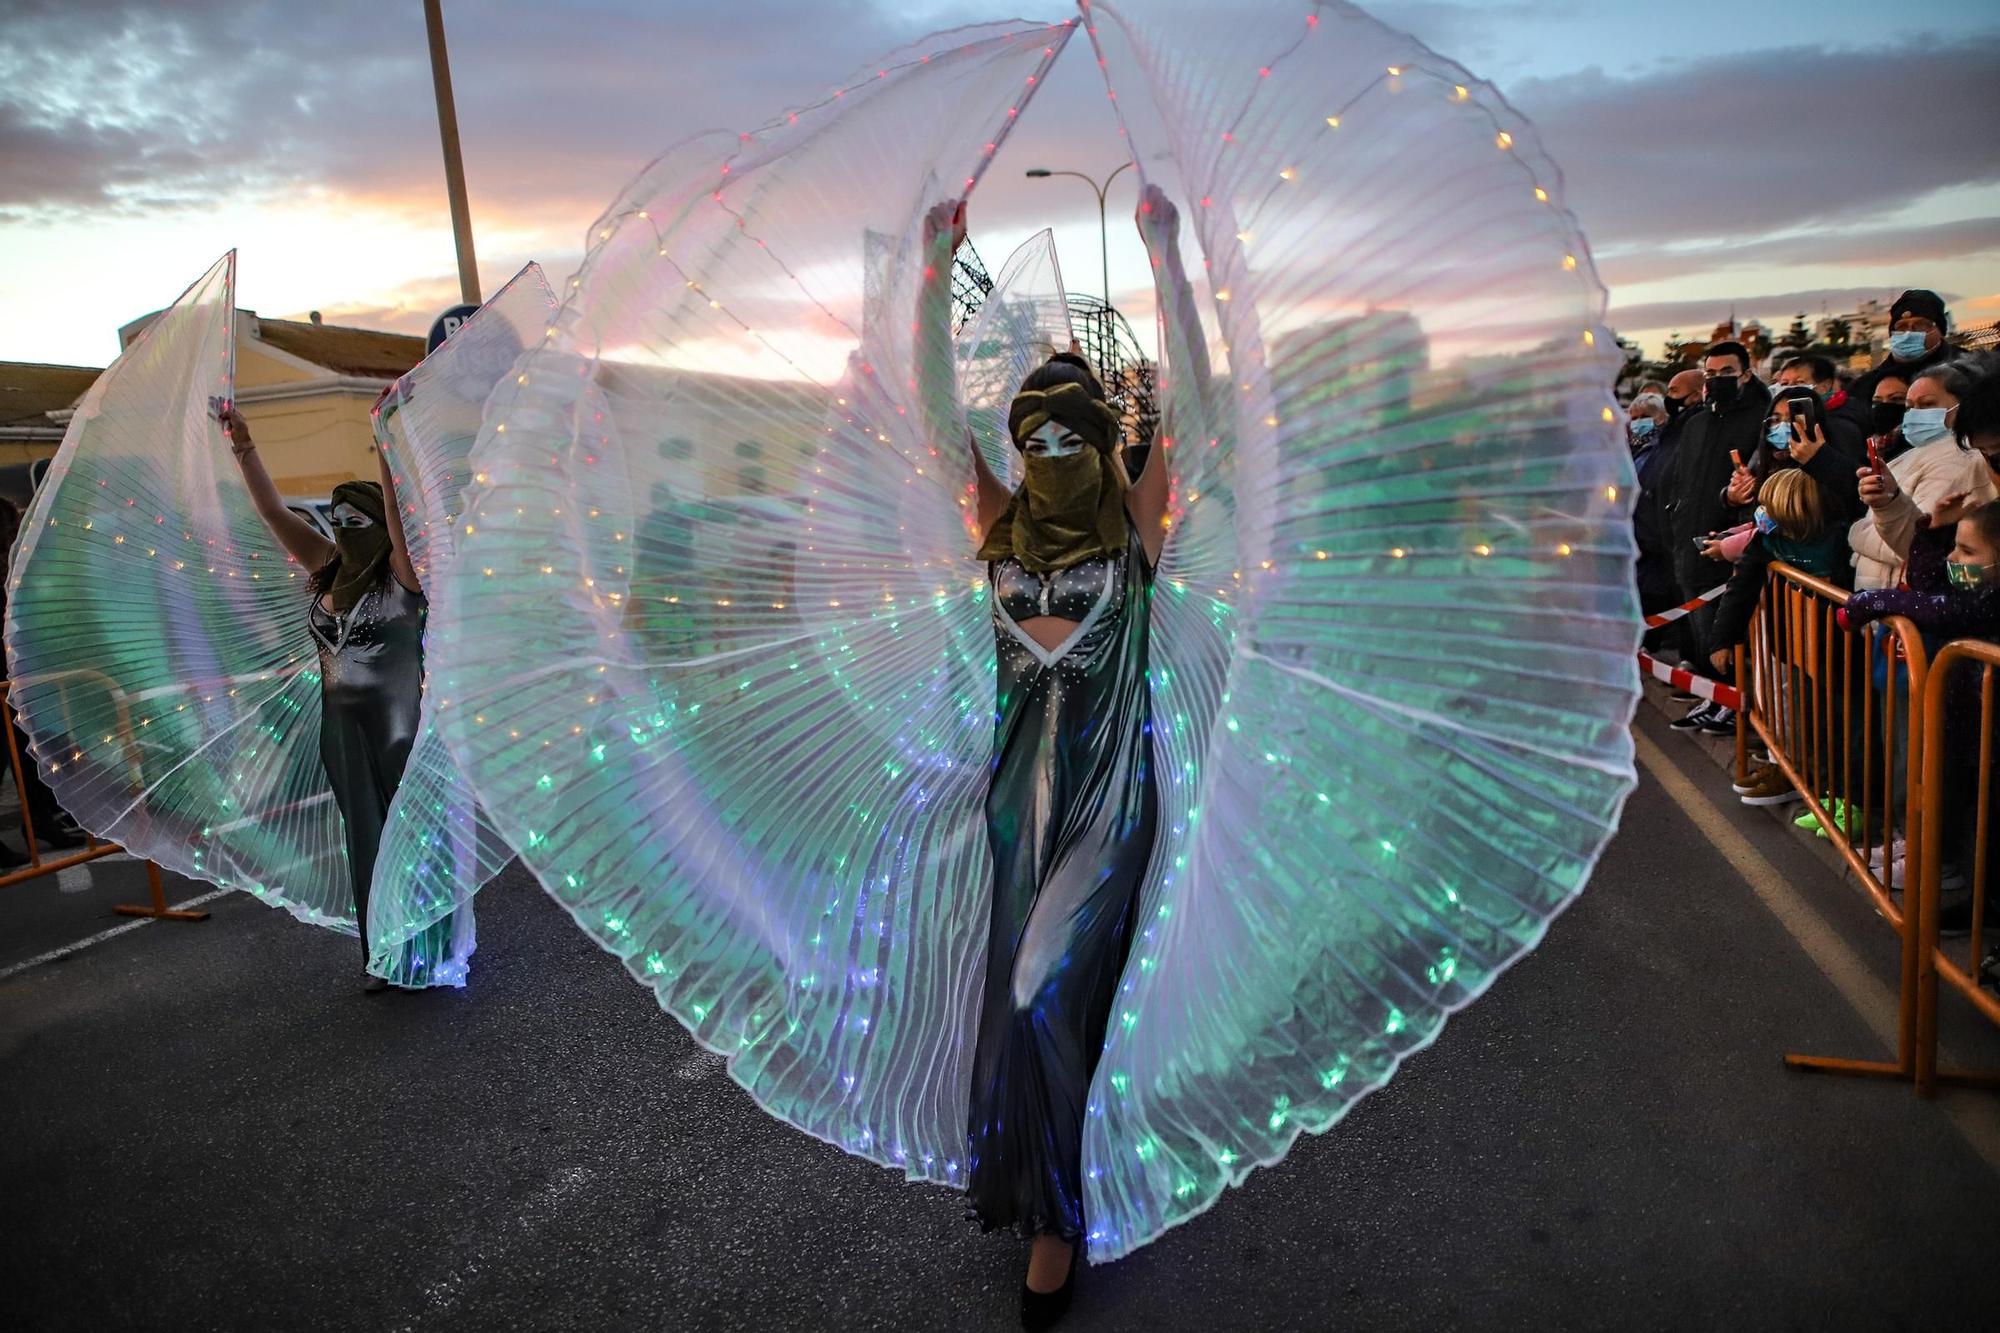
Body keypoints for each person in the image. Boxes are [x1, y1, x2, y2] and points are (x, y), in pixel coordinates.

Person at [925, 190, 1171, 1329]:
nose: (1052, 453)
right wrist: (937, 265)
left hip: (1110, 801)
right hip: (1016, 811)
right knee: (1045, 1009)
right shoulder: (994, 521)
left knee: (1039, 996)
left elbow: (1205, 414)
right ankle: (1050, 1185)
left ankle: (1059, 1221)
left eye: (1074, 435)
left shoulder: (1133, 528)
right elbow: (931, 411)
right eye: (1035, 438)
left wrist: (1166, 254)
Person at [219, 403, 428, 992]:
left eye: (353, 517)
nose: (341, 526)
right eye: (335, 519)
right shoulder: (326, 568)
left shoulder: (403, 576)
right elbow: (270, 511)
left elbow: (394, 511)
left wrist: (382, 440)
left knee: (411, 837)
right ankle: (385, 956)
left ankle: (430, 949)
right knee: (364, 839)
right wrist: (244, 448)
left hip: (400, 727)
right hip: (340, 729)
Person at [1840, 496, 2000, 931]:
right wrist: (1931, 531)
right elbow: (1931, 585)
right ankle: (1975, 894)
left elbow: (1936, 608)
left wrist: (1872, 601)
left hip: (1990, 736)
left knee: (1986, 824)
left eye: (1967, 551)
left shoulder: (1987, 602)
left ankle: (1982, 902)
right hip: (1970, 730)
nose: (1955, 558)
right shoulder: (1975, 585)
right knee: (1970, 815)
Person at [1706, 466, 1851, 804]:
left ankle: (1838, 790)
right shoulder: (1766, 538)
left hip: (1840, 649)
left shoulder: (1838, 539)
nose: (1763, 515)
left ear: (1797, 513)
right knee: (1794, 712)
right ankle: (1794, 772)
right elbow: (1741, 588)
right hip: (1790, 643)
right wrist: (1722, 640)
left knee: (1839, 722)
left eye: (1771, 509)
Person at [1663, 340, 1770, 733]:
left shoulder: (1760, 419)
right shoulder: (1696, 423)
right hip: (1690, 543)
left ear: (1746, 373)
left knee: (1729, 633)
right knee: (1701, 629)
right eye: (1711, 373)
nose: (1717, 380)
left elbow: (1759, 480)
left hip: (1731, 546)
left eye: (1727, 372)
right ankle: (1715, 696)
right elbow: (1680, 482)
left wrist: (1735, 508)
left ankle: (1737, 705)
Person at [1849, 359, 1999, 590]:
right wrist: (1934, 532)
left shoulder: (1959, 459)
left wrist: (1858, 532)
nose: (1952, 558)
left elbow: (1955, 598)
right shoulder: (1917, 454)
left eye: (1927, 404)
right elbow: (1937, 583)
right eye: (1909, 407)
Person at [0, 497, 90, 868]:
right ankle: (41, 817)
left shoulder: (15, 567)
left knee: (39, 747)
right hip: (11, 677)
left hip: (21, 677)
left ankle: (43, 817)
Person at [1848, 289, 1958, 412]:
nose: (1909, 331)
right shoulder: (1864, 387)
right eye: (1901, 326)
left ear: (1940, 331)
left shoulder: (1968, 371)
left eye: (1921, 324)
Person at [1628, 393, 1680, 634]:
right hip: (1639, 539)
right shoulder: (1636, 450)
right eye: (1634, 418)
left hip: (1655, 539)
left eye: (1645, 417)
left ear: (1661, 417)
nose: (1639, 423)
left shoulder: (1667, 449)